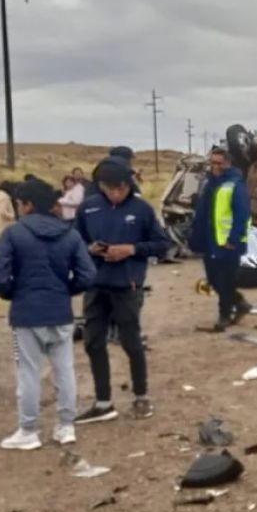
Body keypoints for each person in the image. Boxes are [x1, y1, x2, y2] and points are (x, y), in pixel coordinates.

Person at [0, 179, 96, 450]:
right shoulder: (69, 234)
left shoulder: (13, 234)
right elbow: (87, 274)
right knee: (65, 370)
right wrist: (65, 290)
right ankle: (66, 426)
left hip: (26, 314)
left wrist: (14, 293)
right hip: (60, 312)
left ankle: (28, 430)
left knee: (28, 372)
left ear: (26, 205)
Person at [74, 161, 168, 423]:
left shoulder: (142, 209)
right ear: (101, 186)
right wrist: (90, 249)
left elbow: (162, 244)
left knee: (131, 343)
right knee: (93, 343)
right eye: (111, 188)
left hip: (127, 286)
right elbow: (74, 240)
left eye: (122, 188)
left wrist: (131, 250)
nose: (117, 193)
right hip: (95, 285)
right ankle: (103, 403)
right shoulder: (88, 208)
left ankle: (141, 396)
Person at [190, 148, 253, 332]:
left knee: (226, 281)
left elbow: (242, 215)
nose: (215, 166)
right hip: (210, 241)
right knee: (213, 280)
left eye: (219, 163)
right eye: (213, 162)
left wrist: (233, 238)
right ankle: (240, 303)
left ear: (228, 163)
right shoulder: (209, 183)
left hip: (227, 244)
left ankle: (224, 316)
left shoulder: (235, 185)